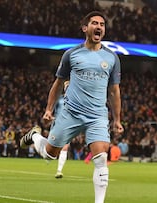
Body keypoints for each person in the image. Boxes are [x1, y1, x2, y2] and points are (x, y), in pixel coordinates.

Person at [20, 11, 123, 203]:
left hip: (97, 115)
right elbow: (58, 83)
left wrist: (117, 119)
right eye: (94, 23)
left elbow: (115, 91)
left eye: (102, 24)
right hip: (70, 113)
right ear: (85, 28)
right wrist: (49, 109)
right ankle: (34, 136)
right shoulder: (71, 54)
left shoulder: (112, 58)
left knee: (101, 157)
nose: (99, 26)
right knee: (50, 155)